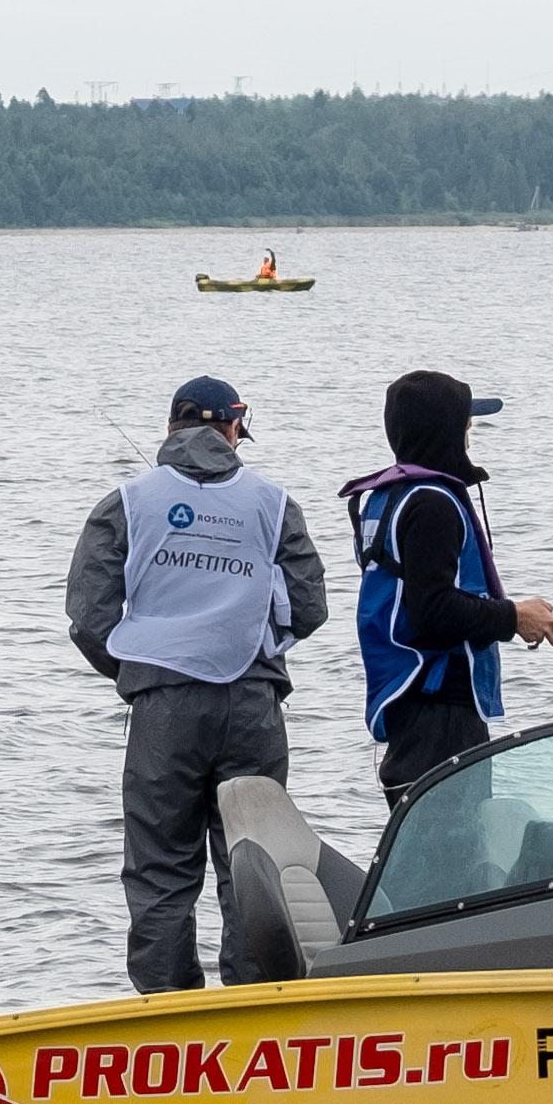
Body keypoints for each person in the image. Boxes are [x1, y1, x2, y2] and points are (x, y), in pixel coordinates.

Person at [65, 374, 331, 995]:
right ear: (234, 429)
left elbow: (89, 617)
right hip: (253, 703)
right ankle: (256, 1004)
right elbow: (308, 607)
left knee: (160, 871)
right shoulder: (274, 503)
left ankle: (169, 1011)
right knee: (255, 865)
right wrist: (258, 653)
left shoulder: (125, 502)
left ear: (170, 426)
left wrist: (139, 670)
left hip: (163, 706)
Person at [347, 368, 553, 815]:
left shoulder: (389, 496)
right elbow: (432, 612)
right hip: (438, 703)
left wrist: (512, 614)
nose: (469, 435)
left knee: (431, 838)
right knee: (453, 843)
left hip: (409, 697)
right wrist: (514, 617)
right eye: (466, 425)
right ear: (447, 431)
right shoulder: (432, 502)